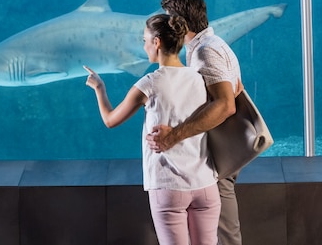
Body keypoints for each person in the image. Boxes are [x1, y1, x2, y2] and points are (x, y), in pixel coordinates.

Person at [84, 13, 220, 245]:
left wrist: (99, 88)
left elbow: (110, 120)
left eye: (145, 40)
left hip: (170, 188)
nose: (144, 44)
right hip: (206, 185)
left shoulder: (149, 83)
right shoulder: (199, 78)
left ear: (156, 43)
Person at [145, 0, 243, 245]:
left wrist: (173, 136)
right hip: (215, 151)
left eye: (167, 17)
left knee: (226, 233)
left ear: (179, 21)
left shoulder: (205, 50)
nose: (165, 24)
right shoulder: (211, 45)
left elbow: (225, 105)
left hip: (215, 155)